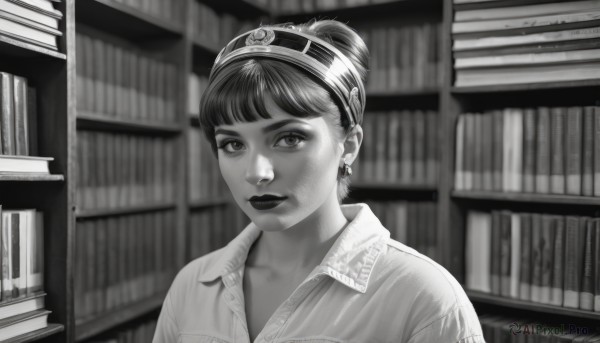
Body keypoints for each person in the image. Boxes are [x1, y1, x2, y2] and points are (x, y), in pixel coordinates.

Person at [153, 19, 484, 343]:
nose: (257, 173)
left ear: (349, 145)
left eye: (290, 138)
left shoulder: (425, 301)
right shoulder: (191, 285)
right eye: (233, 144)